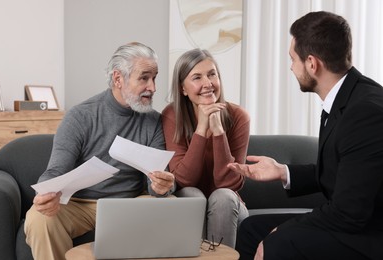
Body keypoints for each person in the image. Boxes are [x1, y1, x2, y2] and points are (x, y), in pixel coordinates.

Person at [227, 11, 383, 260]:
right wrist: (283, 172)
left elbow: (349, 212)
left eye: (292, 59)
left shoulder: (365, 111)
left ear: (312, 63)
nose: (290, 67)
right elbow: (346, 171)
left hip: (370, 233)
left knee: (280, 242)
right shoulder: (347, 97)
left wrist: (286, 230)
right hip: (355, 221)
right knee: (251, 229)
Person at [24, 42, 176, 260]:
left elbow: (154, 184)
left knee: (171, 206)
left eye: (154, 77)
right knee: (39, 218)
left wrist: (161, 187)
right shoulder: (80, 116)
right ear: (118, 78)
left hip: (130, 204)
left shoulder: (153, 121)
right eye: (144, 78)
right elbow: (56, 169)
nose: (153, 87)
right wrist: (45, 194)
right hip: (80, 206)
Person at [162, 48, 250, 248]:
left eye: (212, 74)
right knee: (192, 194)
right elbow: (184, 179)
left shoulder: (238, 117)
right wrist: (201, 129)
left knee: (224, 197)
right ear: (183, 88)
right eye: (197, 77)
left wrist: (218, 130)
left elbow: (229, 183)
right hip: (189, 200)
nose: (207, 83)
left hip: (230, 207)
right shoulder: (171, 115)